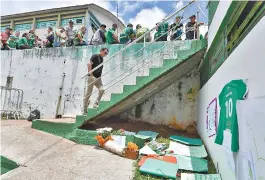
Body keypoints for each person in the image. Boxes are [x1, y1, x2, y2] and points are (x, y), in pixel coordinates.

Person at [83, 47, 109, 113]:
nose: (105, 54)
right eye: (105, 53)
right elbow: (89, 64)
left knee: (102, 90)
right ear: (101, 51)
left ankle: (96, 104)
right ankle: (84, 108)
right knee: (88, 93)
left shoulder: (101, 59)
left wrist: (99, 77)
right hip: (92, 77)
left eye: (106, 54)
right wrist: (91, 75)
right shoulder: (95, 56)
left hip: (98, 78)